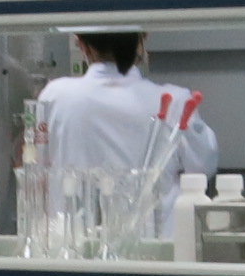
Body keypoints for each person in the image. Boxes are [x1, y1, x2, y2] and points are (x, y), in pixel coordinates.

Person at [36, 32, 219, 183]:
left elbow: (38, 165)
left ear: (81, 44)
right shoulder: (175, 100)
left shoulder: (54, 95)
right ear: (142, 40)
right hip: (154, 218)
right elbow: (203, 167)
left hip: (73, 217)